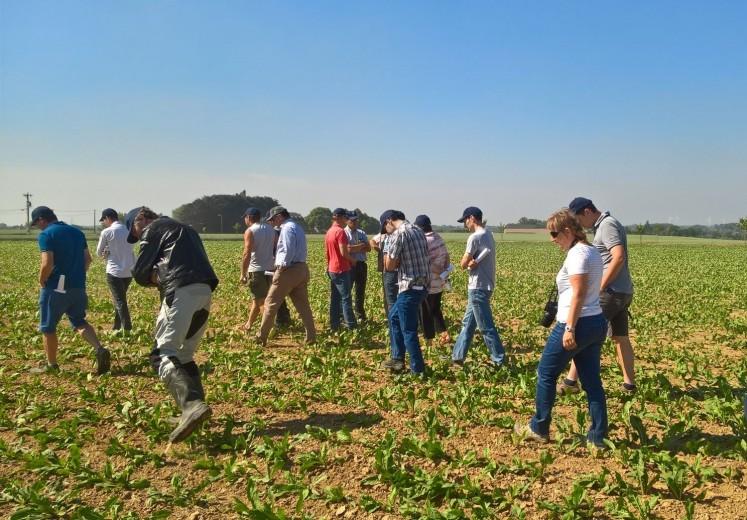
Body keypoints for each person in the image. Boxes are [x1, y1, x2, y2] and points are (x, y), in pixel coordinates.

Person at [514, 209, 608, 447]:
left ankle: (539, 427)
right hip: (595, 321)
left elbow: (578, 293)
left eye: (555, 233)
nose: (552, 239)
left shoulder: (577, 255)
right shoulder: (593, 251)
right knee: (592, 382)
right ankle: (598, 436)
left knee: (546, 372)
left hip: (576, 322)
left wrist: (569, 328)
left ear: (567, 231)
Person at [126, 207, 218, 443]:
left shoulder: (152, 229)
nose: (137, 238)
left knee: (161, 354)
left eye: (134, 232)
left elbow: (139, 272)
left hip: (180, 291)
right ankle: (195, 409)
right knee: (184, 354)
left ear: (141, 219)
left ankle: (191, 406)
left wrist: (152, 276)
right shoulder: (185, 228)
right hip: (204, 290)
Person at [557, 197, 636, 394]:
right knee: (620, 337)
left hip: (610, 292)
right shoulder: (608, 224)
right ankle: (629, 385)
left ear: (587, 211)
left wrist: (600, 285)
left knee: (584, 331)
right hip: (622, 291)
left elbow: (618, 256)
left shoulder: (607, 225)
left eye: (578, 219)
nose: (578, 225)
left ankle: (570, 383)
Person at [30, 206, 111, 375]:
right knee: (79, 321)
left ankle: (51, 366)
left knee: (48, 327)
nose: (38, 227)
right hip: (78, 287)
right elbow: (87, 260)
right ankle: (99, 349)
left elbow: (47, 263)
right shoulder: (77, 232)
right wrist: (76, 276)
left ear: (41, 219)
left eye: (37, 223)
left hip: (55, 288)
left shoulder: (47, 234)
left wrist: (42, 280)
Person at [450, 207, 505, 367]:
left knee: (486, 326)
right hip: (486, 285)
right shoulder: (489, 234)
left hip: (477, 287)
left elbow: (462, 264)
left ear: (472, 218)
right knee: (468, 323)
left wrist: (469, 263)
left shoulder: (474, 238)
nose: (465, 224)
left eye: (465, 220)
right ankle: (457, 357)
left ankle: (499, 360)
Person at [379, 210, 430, 375]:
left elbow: (389, 266)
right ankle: (397, 358)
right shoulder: (417, 230)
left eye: (384, 227)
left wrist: (386, 252)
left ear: (389, 221)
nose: (386, 231)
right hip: (423, 286)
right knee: (394, 317)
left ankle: (417, 370)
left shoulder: (398, 234)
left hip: (409, 287)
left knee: (408, 330)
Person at [257, 206, 317, 346]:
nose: (271, 223)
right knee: (303, 306)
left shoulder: (287, 228)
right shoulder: (297, 227)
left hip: (288, 270)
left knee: (270, 303)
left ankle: (261, 337)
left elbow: (288, 249)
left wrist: (281, 268)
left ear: (279, 216)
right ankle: (311, 337)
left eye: (272, 220)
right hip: (301, 269)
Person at [96, 208, 136, 331]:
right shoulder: (129, 230)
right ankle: (116, 326)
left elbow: (99, 252)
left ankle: (127, 328)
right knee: (120, 299)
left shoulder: (107, 232)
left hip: (114, 271)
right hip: (129, 271)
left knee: (119, 300)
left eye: (103, 220)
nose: (103, 223)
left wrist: (107, 252)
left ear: (108, 218)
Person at [413, 215, 451, 346]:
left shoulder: (425, 241)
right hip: (439, 282)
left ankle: (428, 339)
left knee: (426, 312)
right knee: (435, 309)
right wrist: (444, 273)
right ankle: (444, 334)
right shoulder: (438, 237)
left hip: (429, 282)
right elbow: (447, 256)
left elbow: (424, 261)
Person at [239, 207, 276, 332]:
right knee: (260, 299)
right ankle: (248, 325)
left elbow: (247, 253)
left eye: (245, 217)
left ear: (249, 218)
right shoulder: (271, 229)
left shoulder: (250, 231)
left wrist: (243, 273)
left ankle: (269, 328)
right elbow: (276, 248)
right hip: (270, 268)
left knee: (261, 301)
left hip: (256, 270)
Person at [325, 208, 357, 330]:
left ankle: (334, 325)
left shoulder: (329, 231)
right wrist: (352, 260)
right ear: (340, 218)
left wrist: (327, 267)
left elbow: (327, 252)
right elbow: (344, 252)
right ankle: (351, 325)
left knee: (335, 298)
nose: (347, 220)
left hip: (332, 268)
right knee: (346, 298)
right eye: (346, 218)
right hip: (341, 268)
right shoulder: (340, 232)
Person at [345, 212, 371, 322]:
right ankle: (348, 316)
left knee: (360, 291)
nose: (355, 222)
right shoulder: (344, 233)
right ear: (347, 220)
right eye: (352, 220)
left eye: (356, 220)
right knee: (348, 291)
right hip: (350, 264)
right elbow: (347, 250)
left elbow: (369, 248)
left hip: (361, 264)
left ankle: (360, 315)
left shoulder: (361, 232)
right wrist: (361, 246)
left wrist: (356, 247)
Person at [370, 223, 398, 320]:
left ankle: (395, 318)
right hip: (386, 270)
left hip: (396, 270)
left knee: (396, 295)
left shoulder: (398, 236)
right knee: (388, 295)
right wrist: (378, 248)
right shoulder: (383, 235)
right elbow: (372, 241)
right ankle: (389, 316)